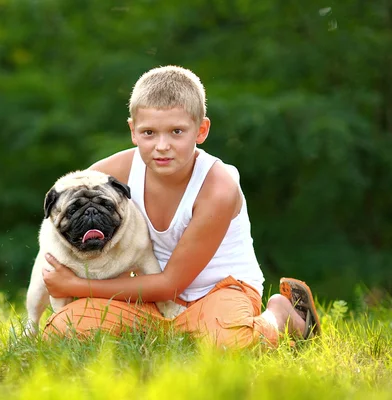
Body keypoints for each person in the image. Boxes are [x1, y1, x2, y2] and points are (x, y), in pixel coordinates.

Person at [40, 65, 320, 349]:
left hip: (219, 291)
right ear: (133, 131)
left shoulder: (217, 188)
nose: (162, 146)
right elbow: (62, 210)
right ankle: (172, 331)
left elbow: (171, 283)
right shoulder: (112, 172)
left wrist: (76, 287)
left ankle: (281, 315)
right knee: (64, 330)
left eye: (176, 131)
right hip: (148, 297)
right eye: (149, 132)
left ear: (201, 130)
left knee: (227, 345)